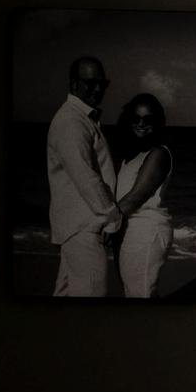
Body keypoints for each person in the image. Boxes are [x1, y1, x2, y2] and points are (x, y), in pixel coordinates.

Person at [46, 55, 121, 298]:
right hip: (84, 229)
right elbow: (86, 177)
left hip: (77, 227)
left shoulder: (80, 118)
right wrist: (112, 218)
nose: (98, 88)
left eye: (102, 83)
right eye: (90, 82)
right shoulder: (72, 121)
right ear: (74, 84)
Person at [111, 92, 174, 299]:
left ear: (158, 122)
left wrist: (101, 224)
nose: (141, 124)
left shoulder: (159, 154)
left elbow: (135, 197)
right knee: (134, 293)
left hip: (146, 232)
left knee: (141, 295)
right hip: (129, 231)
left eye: (148, 120)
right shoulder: (131, 155)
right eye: (136, 119)